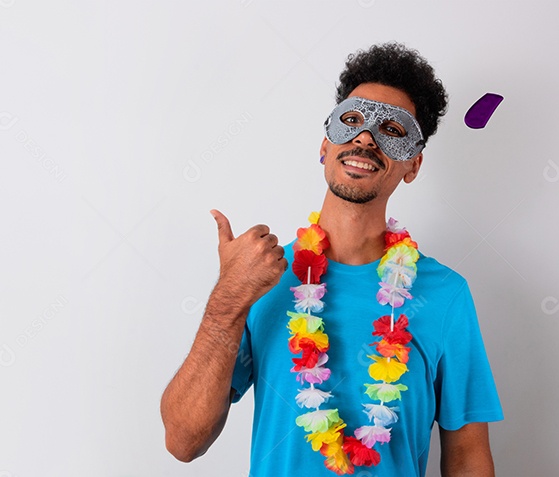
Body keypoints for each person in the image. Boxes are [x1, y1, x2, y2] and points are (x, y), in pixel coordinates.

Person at [160, 42, 503, 476]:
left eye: (392, 131)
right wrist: (229, 297)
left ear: (412, 165)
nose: (365, 138)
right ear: (325, 146)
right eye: (353, 120)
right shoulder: (260, 277)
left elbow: (469, 454)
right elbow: (183, 441)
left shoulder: (446, 295)